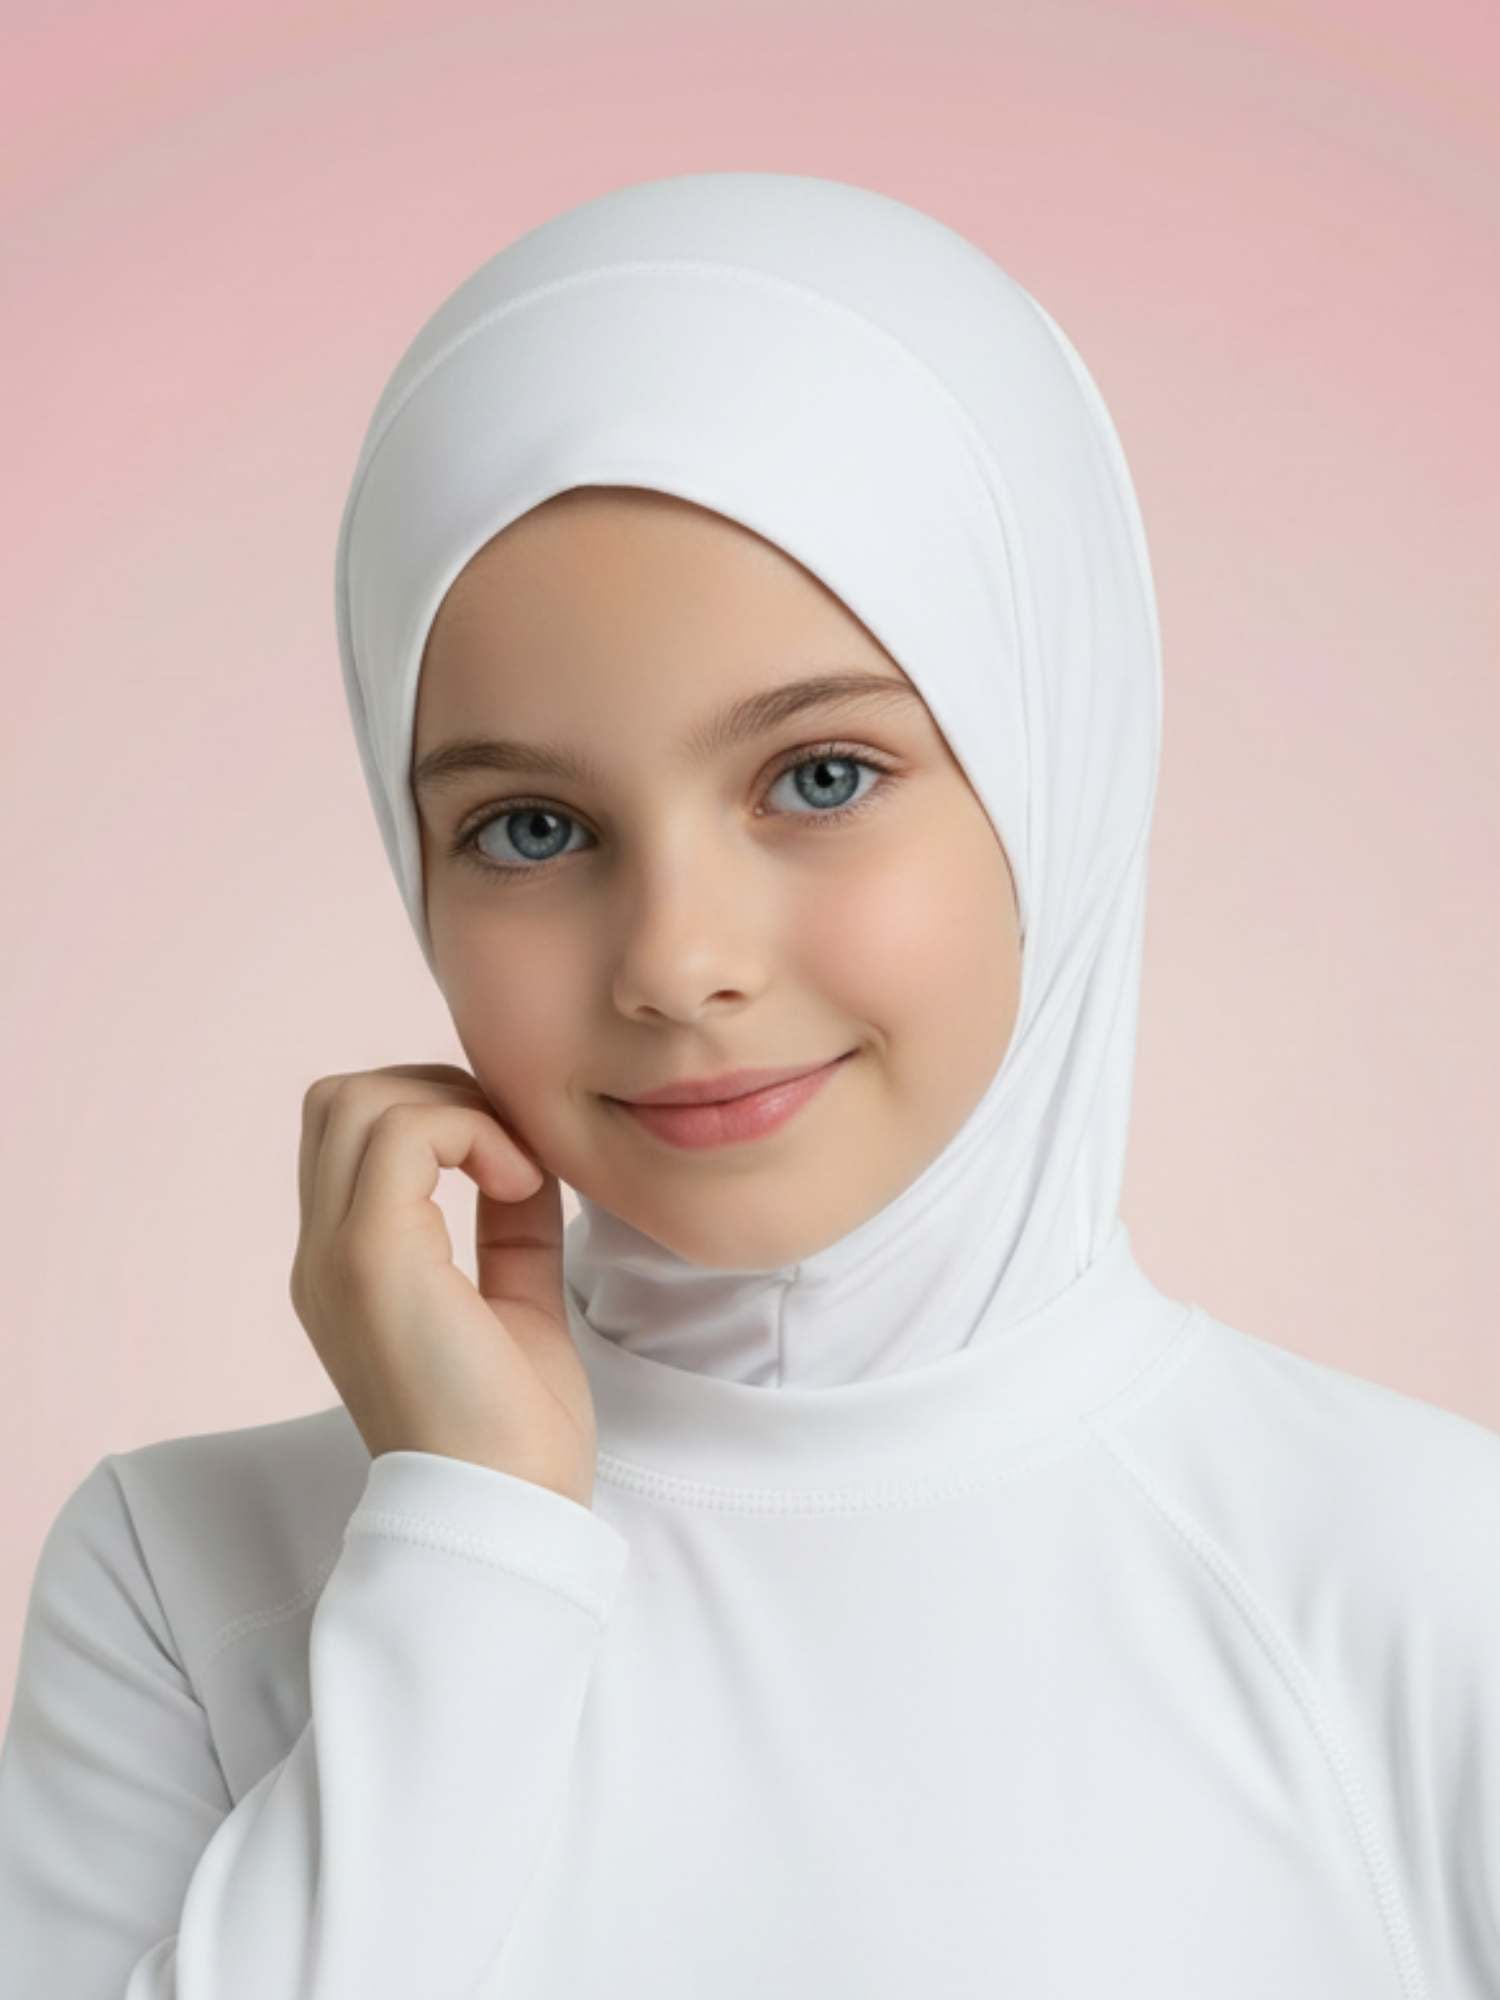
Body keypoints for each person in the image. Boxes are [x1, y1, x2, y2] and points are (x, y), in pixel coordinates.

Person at [1, 168, 1496, 1997]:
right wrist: (472, 1553)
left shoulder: (1433, 1588)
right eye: (529, 826)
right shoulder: (193, 1584)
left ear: (1056, 754)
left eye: (820, 777)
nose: (676, 960)